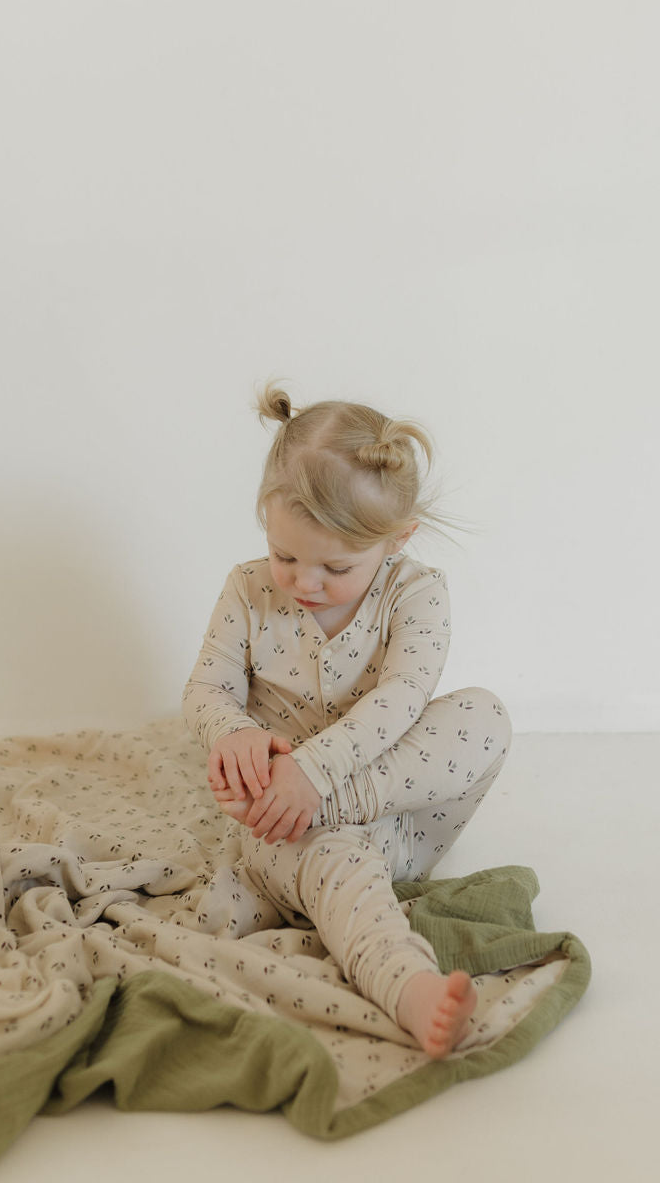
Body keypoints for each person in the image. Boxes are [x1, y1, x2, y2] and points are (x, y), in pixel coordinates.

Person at [182, 385, 511, 1057]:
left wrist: (313, 777)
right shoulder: (247, 590)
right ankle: (410, 987)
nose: (304, 583)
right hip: (286, 830)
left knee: (486, 716)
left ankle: (328, 813)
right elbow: (204, 689)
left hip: (393, 818)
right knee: (337, 868)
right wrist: (234, 734)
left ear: (396, 539)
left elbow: (403, 699)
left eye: (336, 566)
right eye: (286, 557)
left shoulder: (416, 593)